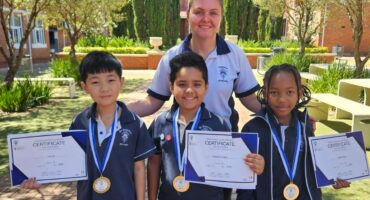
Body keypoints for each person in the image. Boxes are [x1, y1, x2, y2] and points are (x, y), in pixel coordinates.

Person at [21, 51, 156, 200]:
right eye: (95, 82)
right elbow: (66, 162)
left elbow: (139, 168)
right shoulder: (79, 122)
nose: (104, 88)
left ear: (121, 82)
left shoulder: (135, 124)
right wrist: (40, 177)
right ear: (85, 87)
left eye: (111, 80)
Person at [128, 0, 261, 133]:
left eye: (213, 13)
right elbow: (152, 101)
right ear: (188, 14)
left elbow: (249, 98)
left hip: (223, 142)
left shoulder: (235, 54)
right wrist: (116, 110)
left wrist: (278, 110)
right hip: (182, 140)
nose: (206, 19)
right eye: (198, 12)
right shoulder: (172, 56)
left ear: (221, 17)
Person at [147, 51, 265, 200]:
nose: (189, 90)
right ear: (171, 86)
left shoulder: (219, 124)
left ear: (206, 87)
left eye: (197, 84)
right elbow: (154, 164)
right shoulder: (160, 123)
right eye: (182, 84)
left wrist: (255, 165)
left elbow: (235, 165)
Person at [236, 64, 350, 200]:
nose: (282, 99)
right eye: (274, 92)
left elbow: (311, 168)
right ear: (266, 94)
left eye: (289, 92)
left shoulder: (306, 126)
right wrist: (259, 168)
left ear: (299, 93)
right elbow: (243, 179)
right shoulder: (252, 129)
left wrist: (332, 177)